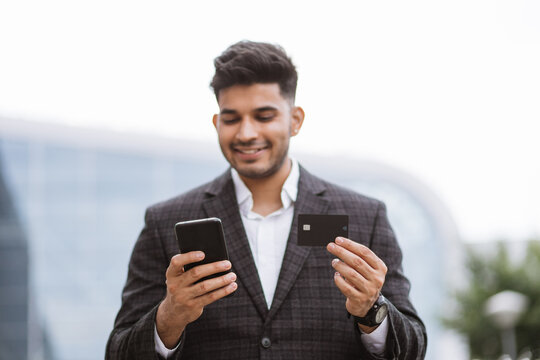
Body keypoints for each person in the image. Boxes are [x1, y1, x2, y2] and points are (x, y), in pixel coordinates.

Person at [106, 40, 427, 360]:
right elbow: (118, 353)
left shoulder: (364, 217)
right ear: (217, 124)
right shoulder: (165, 222)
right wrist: (169, 317)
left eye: (264, 116)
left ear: (295, 120)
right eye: (232, 119)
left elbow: (413, 349)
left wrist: (372, 311)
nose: (246, 133)